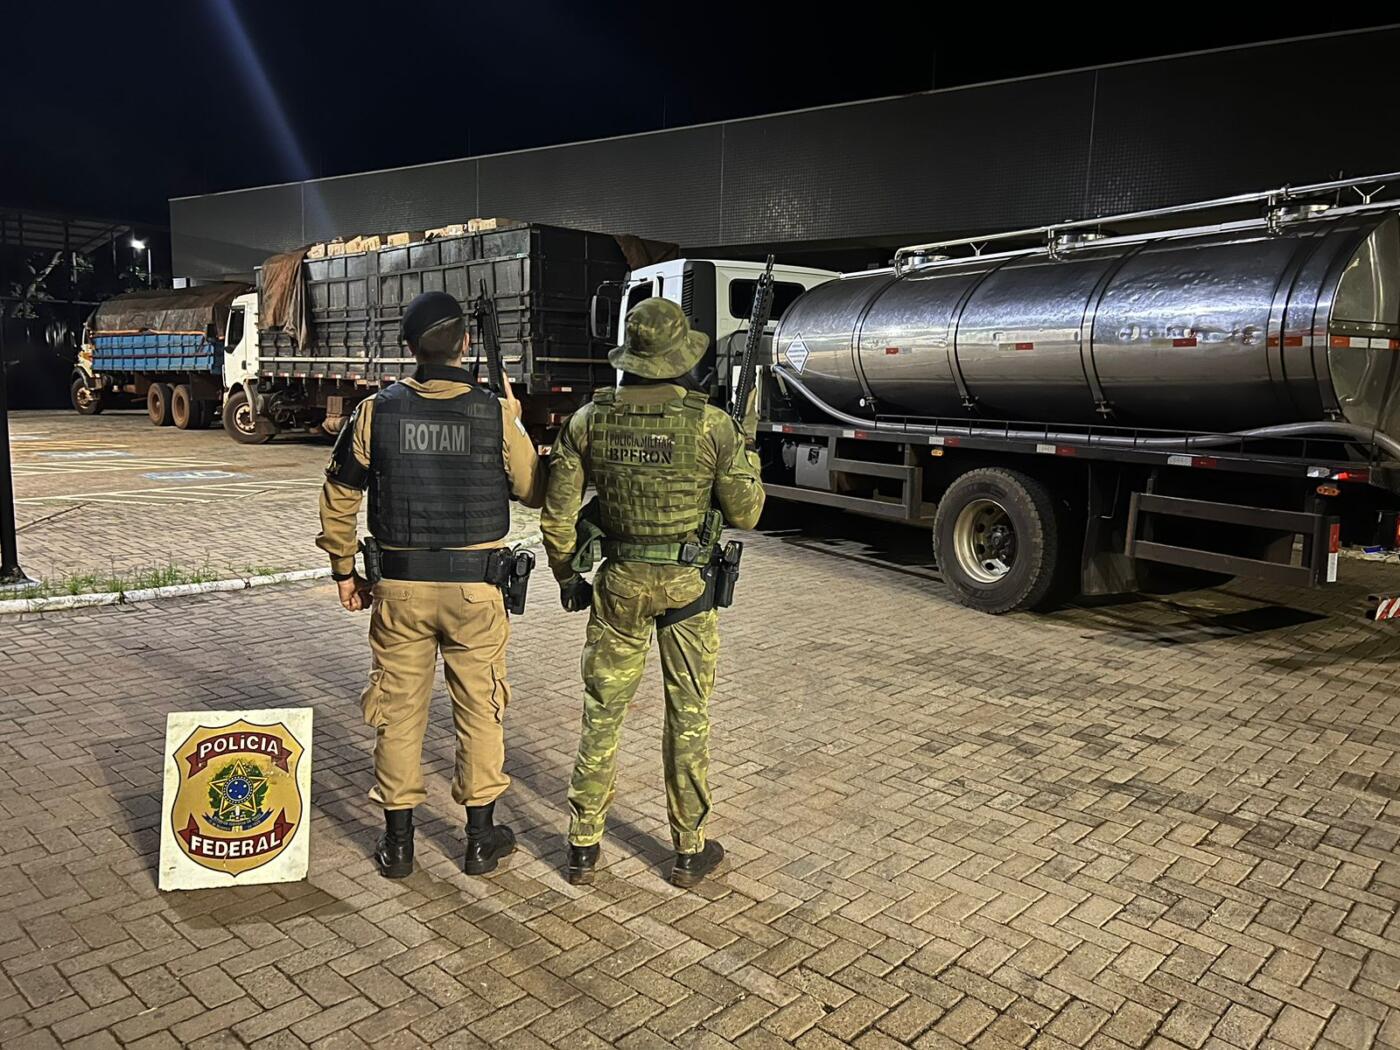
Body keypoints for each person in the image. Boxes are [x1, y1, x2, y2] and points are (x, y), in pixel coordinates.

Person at [317, 290, 545, 879]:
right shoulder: (493, 412)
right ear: (465, 344)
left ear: (410, 347)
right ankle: (480, 840)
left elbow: (340, 496)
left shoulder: (375, 411)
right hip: (476, 593)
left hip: (399, 591)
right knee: (481, 710)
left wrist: (344, 572)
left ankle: (398, 846)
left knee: (397, 713)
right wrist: (514, 420)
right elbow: (533, 489)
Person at [540, 296, 765, 888]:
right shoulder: (711, 424)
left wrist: (567, 576)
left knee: (601, 713)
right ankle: (689, 849)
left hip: (619, 584)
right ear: (679, 354)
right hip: (689, 588)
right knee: (688, 716)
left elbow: (558, 517)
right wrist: (748, 453)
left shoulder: (589, 419)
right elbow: (746, 514)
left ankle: (582, 844)